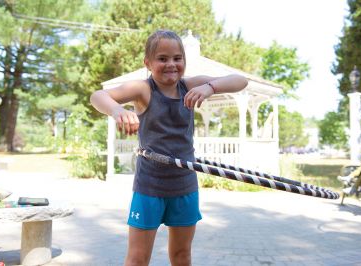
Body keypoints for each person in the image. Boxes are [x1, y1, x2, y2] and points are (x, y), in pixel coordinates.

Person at [90, 29, 248, 266]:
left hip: (184, 186)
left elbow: (241, 80)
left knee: (182, 255)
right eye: (162, 59)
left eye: (177, 58)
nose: (171, 64)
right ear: (148, 63)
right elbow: (97, 95)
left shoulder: (189, 86)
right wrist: (118, 110)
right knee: (137, 258)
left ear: (184, 61)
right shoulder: (143, 89)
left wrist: (210, 87)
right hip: (149, 187)